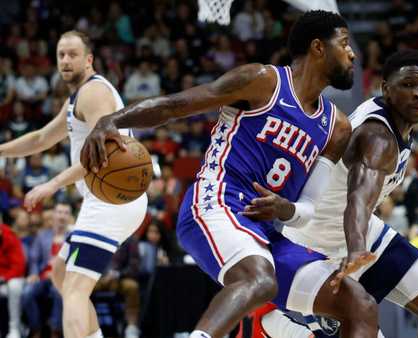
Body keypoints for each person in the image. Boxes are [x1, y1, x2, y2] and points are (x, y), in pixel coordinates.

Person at [81, 11, 379, 338]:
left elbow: (307, 208)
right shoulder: (262, 81)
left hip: (266, 233)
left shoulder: (337, 127)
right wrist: (113, 120)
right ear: (319, 48)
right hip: (215, 203)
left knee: (358, 304)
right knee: (259, 279)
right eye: (345, 44)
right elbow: (173, 106)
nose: (353, 54)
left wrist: (287, 209)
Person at [251, 50, 418, 338]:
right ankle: (272, 324)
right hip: (320, 243)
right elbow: (358, 200)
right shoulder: (377, 138)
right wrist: (357, 249)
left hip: (362, 234)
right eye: (408, 85)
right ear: (386, 88)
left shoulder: (399, 123)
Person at [0, 30, 148, 338]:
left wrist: (52, 184)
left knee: (75, 288)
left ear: (89, 59)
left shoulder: (94, 93)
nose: (65, 61)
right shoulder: (77, 97)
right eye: (61, 55)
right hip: (105, 200)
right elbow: (41, 138)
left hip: (113, 201)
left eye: (73, 54)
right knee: (59, 274)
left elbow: (104, 153)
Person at [21, 202, 71, 338]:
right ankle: (36, 329)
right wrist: (33, 274)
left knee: (57, 292)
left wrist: (58, 273)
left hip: (62, 279)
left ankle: (56, 330)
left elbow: (75, 262)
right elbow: (34, 259)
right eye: (59, 212)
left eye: (65, 213)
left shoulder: (73, 237)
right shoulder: (42, 236)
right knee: (27, 293)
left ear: (70, 217)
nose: (62, 216)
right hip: (42, 277)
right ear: (53, 215)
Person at [0, 221, 26, 338]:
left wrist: (4, 278)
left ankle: (14, 328)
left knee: (13, 286)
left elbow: (19, 266)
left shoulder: (10, 236)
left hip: (12, 278)